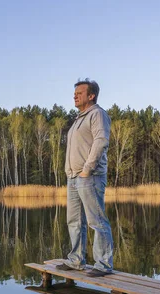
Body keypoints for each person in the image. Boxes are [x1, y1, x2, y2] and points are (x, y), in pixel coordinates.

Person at [58, 78, 114, 277]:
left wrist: (87, 170)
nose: (75, 95)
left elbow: (100, 141)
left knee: (96, 220)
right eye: (74, 93)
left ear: (91, 96)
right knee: (74, 221)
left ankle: (104, 264)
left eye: (79, 93)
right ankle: (76, 260)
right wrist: (71, 172)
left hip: (89, 176)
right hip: (73, 177)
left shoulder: (97, 114)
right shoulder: (78, 119)